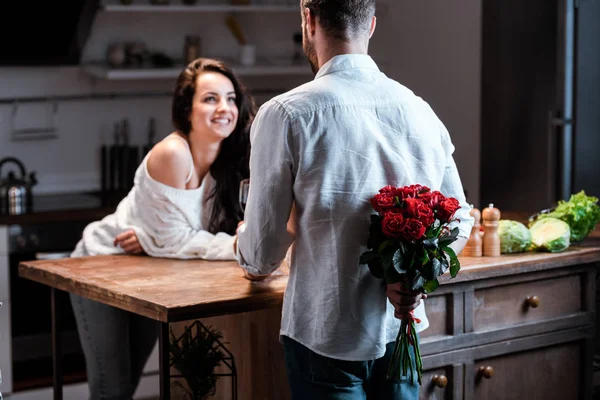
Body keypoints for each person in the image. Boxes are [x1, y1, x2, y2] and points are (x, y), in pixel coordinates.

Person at [234, 0, 475, 399]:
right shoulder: (419, 110)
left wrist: (244, 244)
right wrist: (414, 276)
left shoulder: (286, 114)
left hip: (326, 332)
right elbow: (459, 217)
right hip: (401, 328)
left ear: (308, 20)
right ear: (372, 25)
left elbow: (261, 255)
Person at [69, 57, 256, 400]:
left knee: (130, 384)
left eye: (230, 98)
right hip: (102, 262)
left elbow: (176, 239)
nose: (225, 108)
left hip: (150, 270)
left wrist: (157, 243)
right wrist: (233, 246)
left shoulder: (229, 160)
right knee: (112, 389)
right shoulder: (174, 153)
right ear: (187, 109)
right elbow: (175, 238)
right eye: (210, 98)